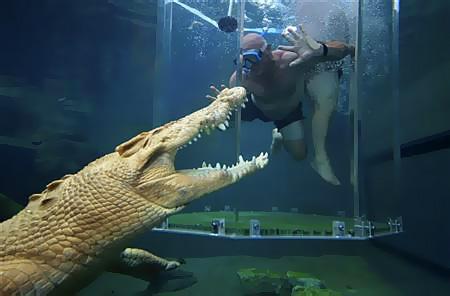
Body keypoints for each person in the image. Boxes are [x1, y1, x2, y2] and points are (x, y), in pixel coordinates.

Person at [222, 25, 354, 185]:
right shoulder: (242, 77)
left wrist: (320, 50)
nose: (251, 66)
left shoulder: (291, 61)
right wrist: (221, 107)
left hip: (287, 113)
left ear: (268, 51)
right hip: (255, 106)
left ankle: (279, 135)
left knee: (300, 155)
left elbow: (345, 49)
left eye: (254, 57)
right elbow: (228, 103)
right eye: (244, 60)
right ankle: (275, 131)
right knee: (219, 123)